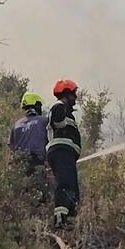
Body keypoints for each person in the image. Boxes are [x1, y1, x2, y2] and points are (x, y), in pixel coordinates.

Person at [47, 79, 82, 228]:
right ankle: (61, 217)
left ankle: (69, 217)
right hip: (61, 152)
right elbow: (57, 119)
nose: (75, 99)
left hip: (66, 154)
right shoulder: (59, 106)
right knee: (65, 184)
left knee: (72, 185)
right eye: (73, 95)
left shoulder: (67, 111)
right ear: (66, 95)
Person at [9, 92, 49, 201]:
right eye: (39, 105)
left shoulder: (16, 125)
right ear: (36, 105)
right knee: (41, 199)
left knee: (23, 199)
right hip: (37, 165)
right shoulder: (43, 121)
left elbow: (11, 149)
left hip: (20, 169)